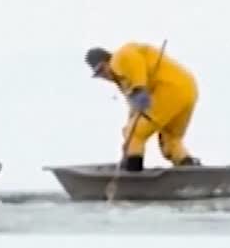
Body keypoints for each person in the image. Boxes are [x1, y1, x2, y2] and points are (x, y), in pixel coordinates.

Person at [85, 42, 201, 172]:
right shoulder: (124, 79)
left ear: (107, 60)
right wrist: (127, 136)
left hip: (168, 89)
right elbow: (134, 110)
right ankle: (189, 169)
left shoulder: (119, 58)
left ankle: (133, 172)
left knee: (135, 133)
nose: (104, 76)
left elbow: (133, 59)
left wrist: (139, 88)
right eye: (99, 74)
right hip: (188, 89)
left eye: (102, 69)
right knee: (170, 139)